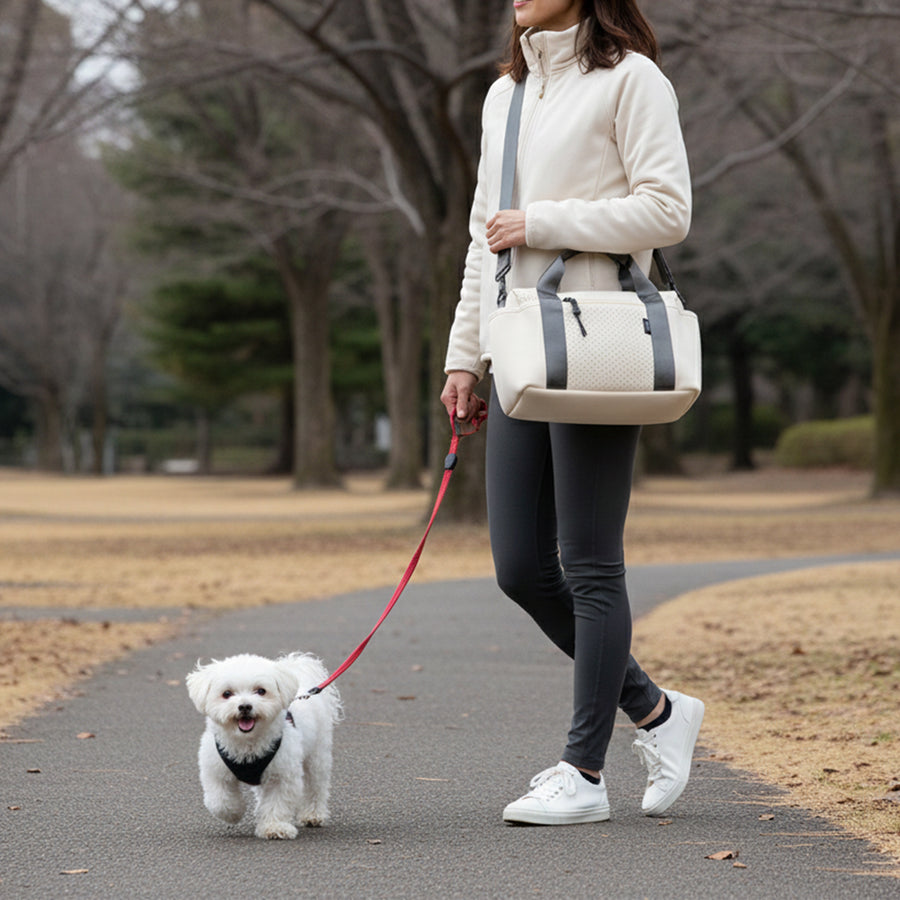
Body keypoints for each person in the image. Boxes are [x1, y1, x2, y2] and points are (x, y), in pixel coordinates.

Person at [440, 0, 705, 825]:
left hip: (598, 345)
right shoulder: (505, 96)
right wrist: (463, 355)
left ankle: (584, 773)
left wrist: (547, 223)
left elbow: (669, 211)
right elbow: (489, 240)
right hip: (521, 351)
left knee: (591, 562)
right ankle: (659, 711)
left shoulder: (632, 79)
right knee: (520, 567)